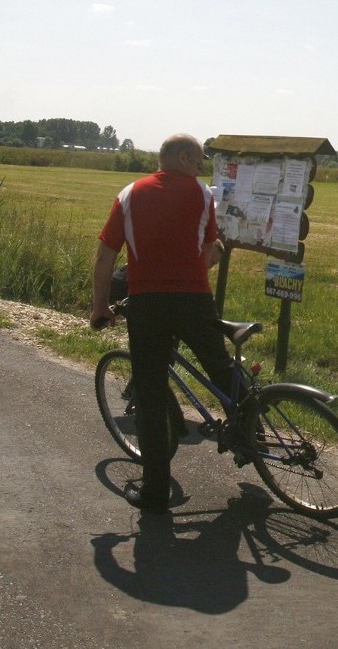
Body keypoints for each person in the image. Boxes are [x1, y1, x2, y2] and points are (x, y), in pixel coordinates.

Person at [90, 133, 230, 513]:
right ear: (182, 157)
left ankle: (155, 491)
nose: (200, 166)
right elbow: (207, 252)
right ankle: (251, 432)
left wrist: (100, 306)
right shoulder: (203, 195)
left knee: (150, 393)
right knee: (221, 369)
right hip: (195, 301)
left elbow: (106, 255)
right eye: (198, 159)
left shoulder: (130, 194)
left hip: (148, 303)